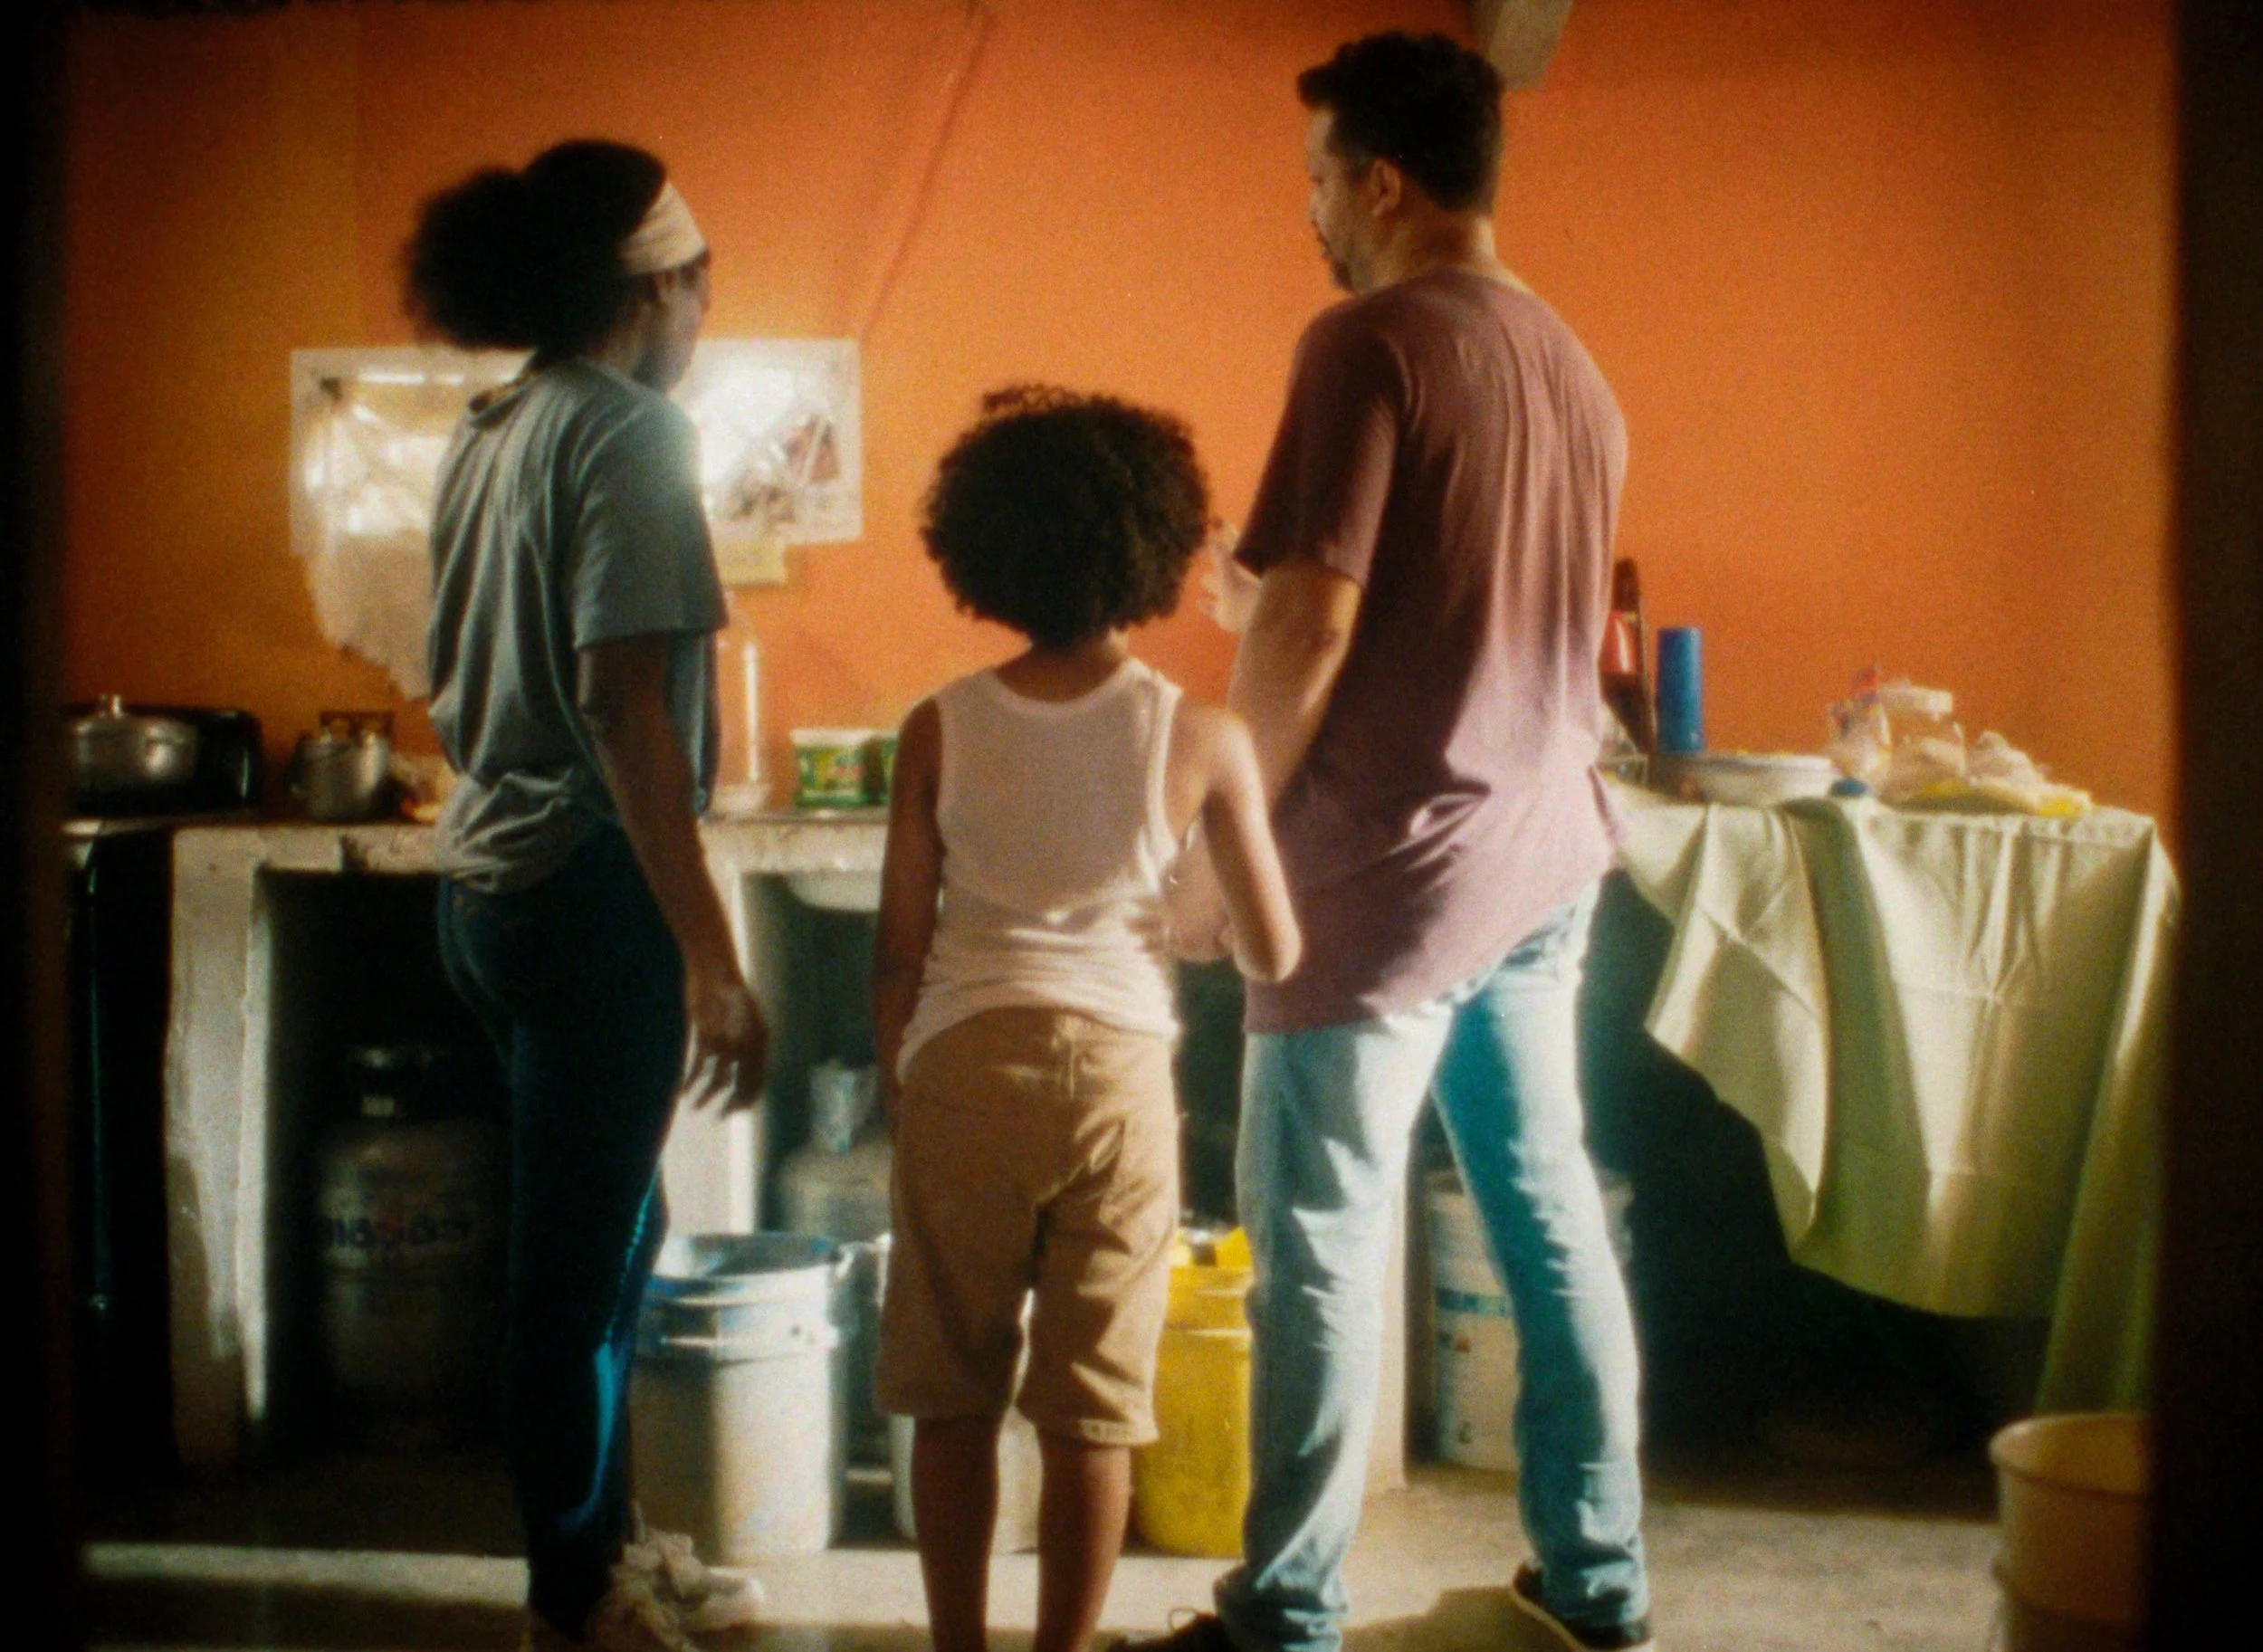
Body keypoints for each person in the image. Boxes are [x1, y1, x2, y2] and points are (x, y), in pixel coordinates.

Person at [1127, 31, 1654, 1652]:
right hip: (1543, 861)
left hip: (1384, 882)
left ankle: (1282, 1616)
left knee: (1320, 1253)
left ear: (1379, 178)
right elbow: (1442, 606)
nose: (1310, 212)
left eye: (1314, 178)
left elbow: (1314, 633)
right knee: (1548, 1211)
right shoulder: (1572, 365)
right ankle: (1598, 1589)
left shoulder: (1364, 341)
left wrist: (1223, 864)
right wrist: (1263, 602)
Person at [873, 387, 1302, 1652]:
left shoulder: (937, 728)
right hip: (1117, 1076)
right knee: (1094, 1409)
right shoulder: (1202, 734)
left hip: (960, 1062)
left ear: (985, 549)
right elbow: (1276, 947)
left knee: (951, 1396)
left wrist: (914, 1080)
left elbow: (898, 950)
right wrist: (1202, 923)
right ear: (1154, 549)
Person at [410, 140, 769, 1652]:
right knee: (575, 1271)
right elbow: (627, 711)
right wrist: (713, 954)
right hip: (584, 894)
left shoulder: (496, 427)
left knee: (617, 1227)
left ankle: (611, 1548)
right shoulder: (625, 433)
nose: (703, 319)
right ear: (664, 287)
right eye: (703, 290)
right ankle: (576, 1602)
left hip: (489, 887)